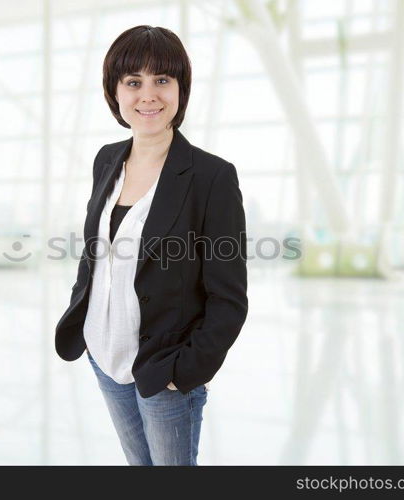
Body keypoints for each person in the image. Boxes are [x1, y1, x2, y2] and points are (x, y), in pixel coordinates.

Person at [54, 25, 248, 466]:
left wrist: (186, 372)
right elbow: (97, 254)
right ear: (115, 91)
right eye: (133, 82)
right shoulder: (107, 159)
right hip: (104, 355)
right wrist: (82, 315)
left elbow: (229, 296)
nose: (149, 95)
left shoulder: (210, 177)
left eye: (163, 80)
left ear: (181, 89)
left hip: (165, 368)